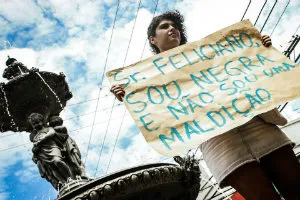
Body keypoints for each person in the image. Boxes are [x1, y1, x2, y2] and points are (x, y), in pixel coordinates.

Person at [110, 11, 300, 200]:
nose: (172, 29)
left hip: (257, 125)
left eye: (174, 26)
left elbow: (245, 69)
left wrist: (258, 47)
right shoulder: (145, 79)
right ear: (152, 39)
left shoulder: (207, 54)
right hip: (218, 143)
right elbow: (159, 114)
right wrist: (129, 94)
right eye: (164, 26)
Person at [28, 113, 75, 189]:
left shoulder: (48, 128)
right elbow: (35, 147)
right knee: (53, 168)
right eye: (34, 124)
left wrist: (42, 140)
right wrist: (35, 149)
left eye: (37, 122)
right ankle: (63, 183)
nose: (36, 125)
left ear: (42, 122)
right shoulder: (35, 136)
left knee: (57, 161)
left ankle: (70, 178)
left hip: (52, 148)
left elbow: (51, 133)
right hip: (42, 153)